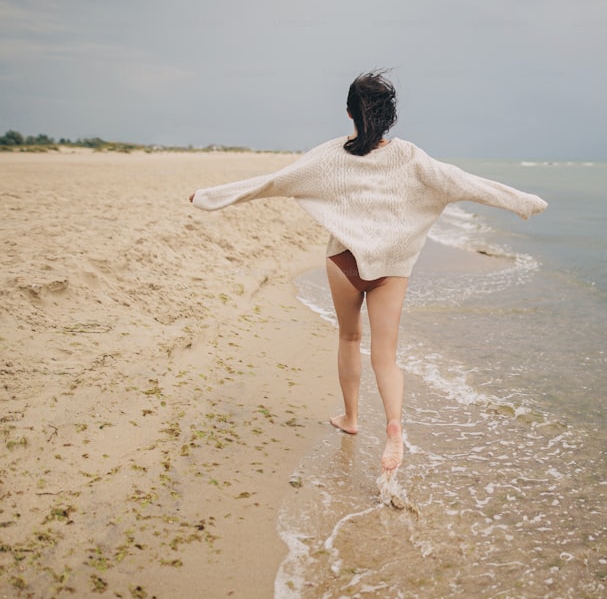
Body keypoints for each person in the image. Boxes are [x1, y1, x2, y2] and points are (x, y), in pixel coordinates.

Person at [189, 70, 547, 476]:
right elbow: (462, 182)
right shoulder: (410, 156)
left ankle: (351, 418)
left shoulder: (329, 155)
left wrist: (208, 198)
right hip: (391, 268)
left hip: (344, 262)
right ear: (390, 117)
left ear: (348, 112)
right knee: (386, 356)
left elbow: (274, 182)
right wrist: (525, 202)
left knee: (348, 337)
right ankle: (393, 426)